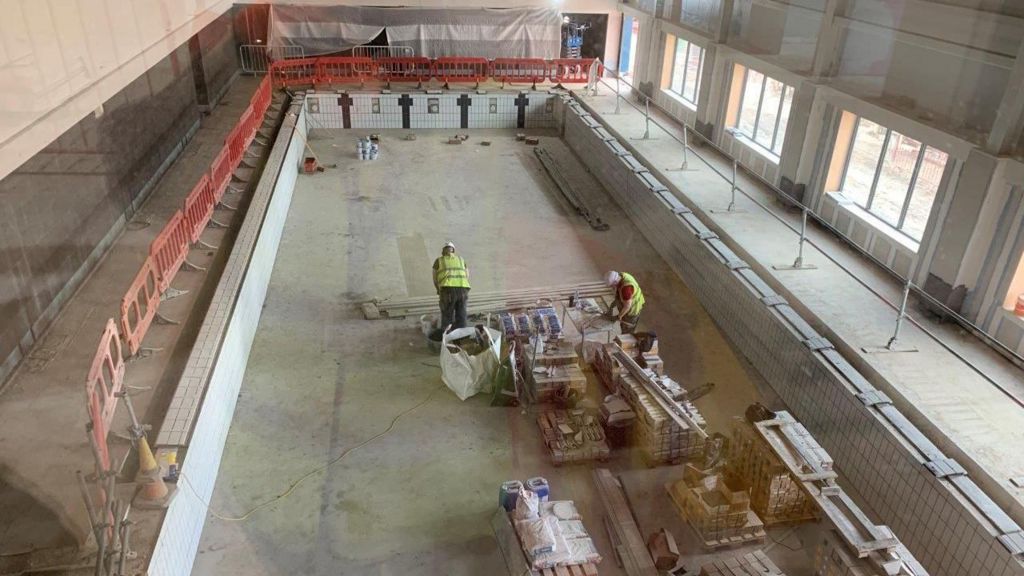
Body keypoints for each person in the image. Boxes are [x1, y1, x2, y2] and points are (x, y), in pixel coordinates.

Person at [433, 242, 471, 330]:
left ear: (443, 251)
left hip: (447, 290)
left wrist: (438, 290)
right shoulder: (461, 259)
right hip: (463, 289)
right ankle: (461, 338)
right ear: (453, 250)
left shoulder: (439, 260)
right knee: (462, 315)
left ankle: (446, 339)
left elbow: (434, 278)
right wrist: (461, 285)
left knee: (447, 315)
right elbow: (467, 275)